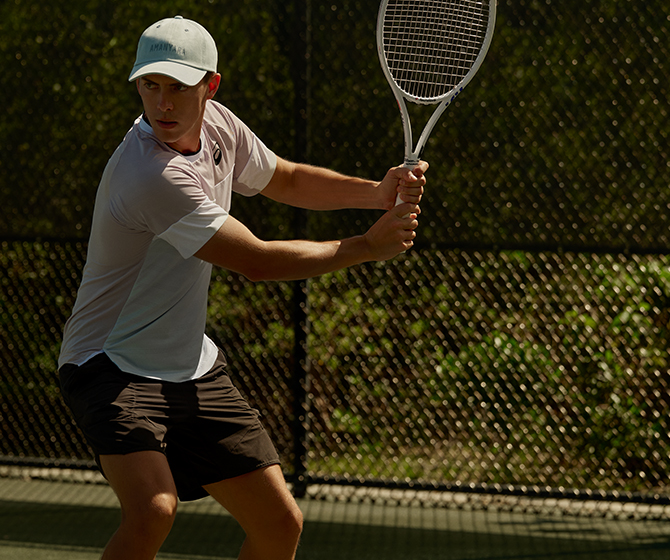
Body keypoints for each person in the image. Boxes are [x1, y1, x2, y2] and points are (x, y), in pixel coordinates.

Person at [57, 15, 427, 560]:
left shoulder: (220, 128)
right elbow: (256, 261)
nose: (162, 102)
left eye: (179, 87)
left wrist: (375, 193)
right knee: (154, 510)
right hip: (107, 365)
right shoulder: (150, 176)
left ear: (211, 86)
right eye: (150, 85)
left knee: (279, 524)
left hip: (190, 367)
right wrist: (365, 247)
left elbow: (286, 179)